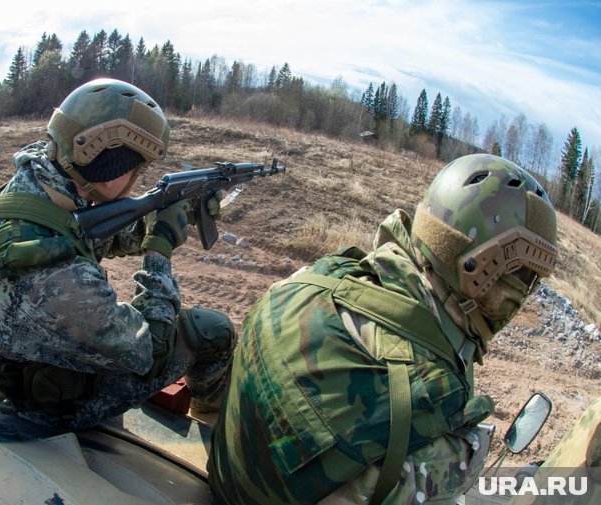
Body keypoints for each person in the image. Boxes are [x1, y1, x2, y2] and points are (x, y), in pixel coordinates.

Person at [208, 154, 559, 505]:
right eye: (521, 278)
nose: (523, 296)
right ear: (478, 269)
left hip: (223, 484)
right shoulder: (435, 418)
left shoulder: (321, 276)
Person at [0, 78, 237, 430]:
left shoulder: (24, 197)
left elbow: (85, 235)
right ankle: (212, 419)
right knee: (211, 329)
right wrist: (159, 247)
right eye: (135, 168)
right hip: (56, 405)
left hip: (29, 360)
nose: (137, 176)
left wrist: (163, 217)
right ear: (109, 166)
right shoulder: (54, 279)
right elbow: (149, 350)